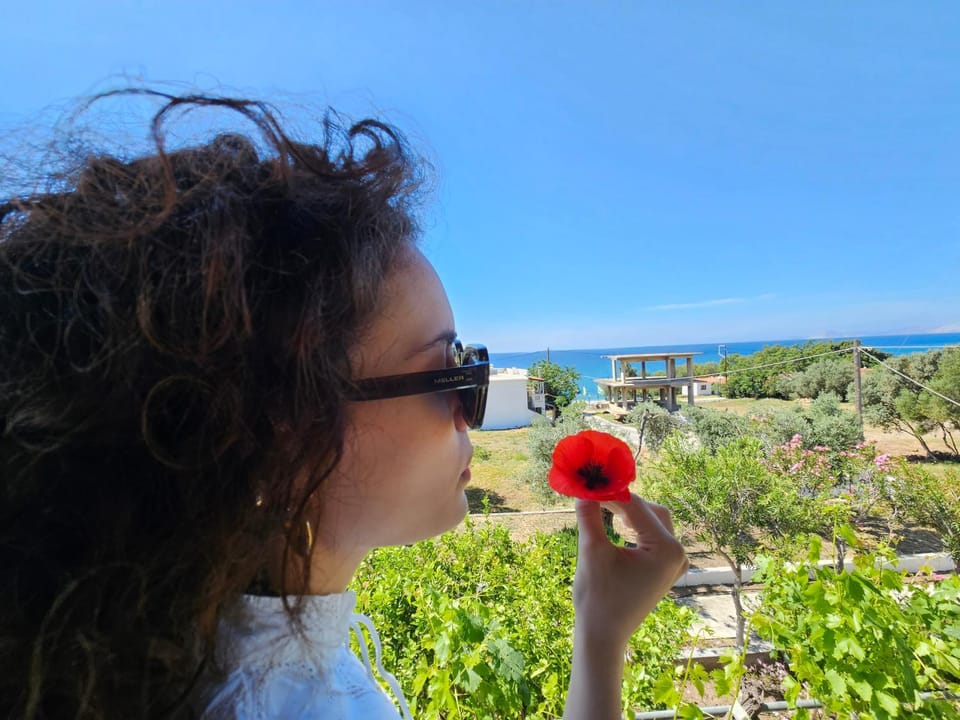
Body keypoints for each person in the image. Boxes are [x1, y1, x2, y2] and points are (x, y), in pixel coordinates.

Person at [0, 90, 688, 720]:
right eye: (451, 372)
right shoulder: (286, 704)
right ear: (282, 435)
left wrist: (598, 632)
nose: (469, 410)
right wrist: (601, 644)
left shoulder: (188, 654)